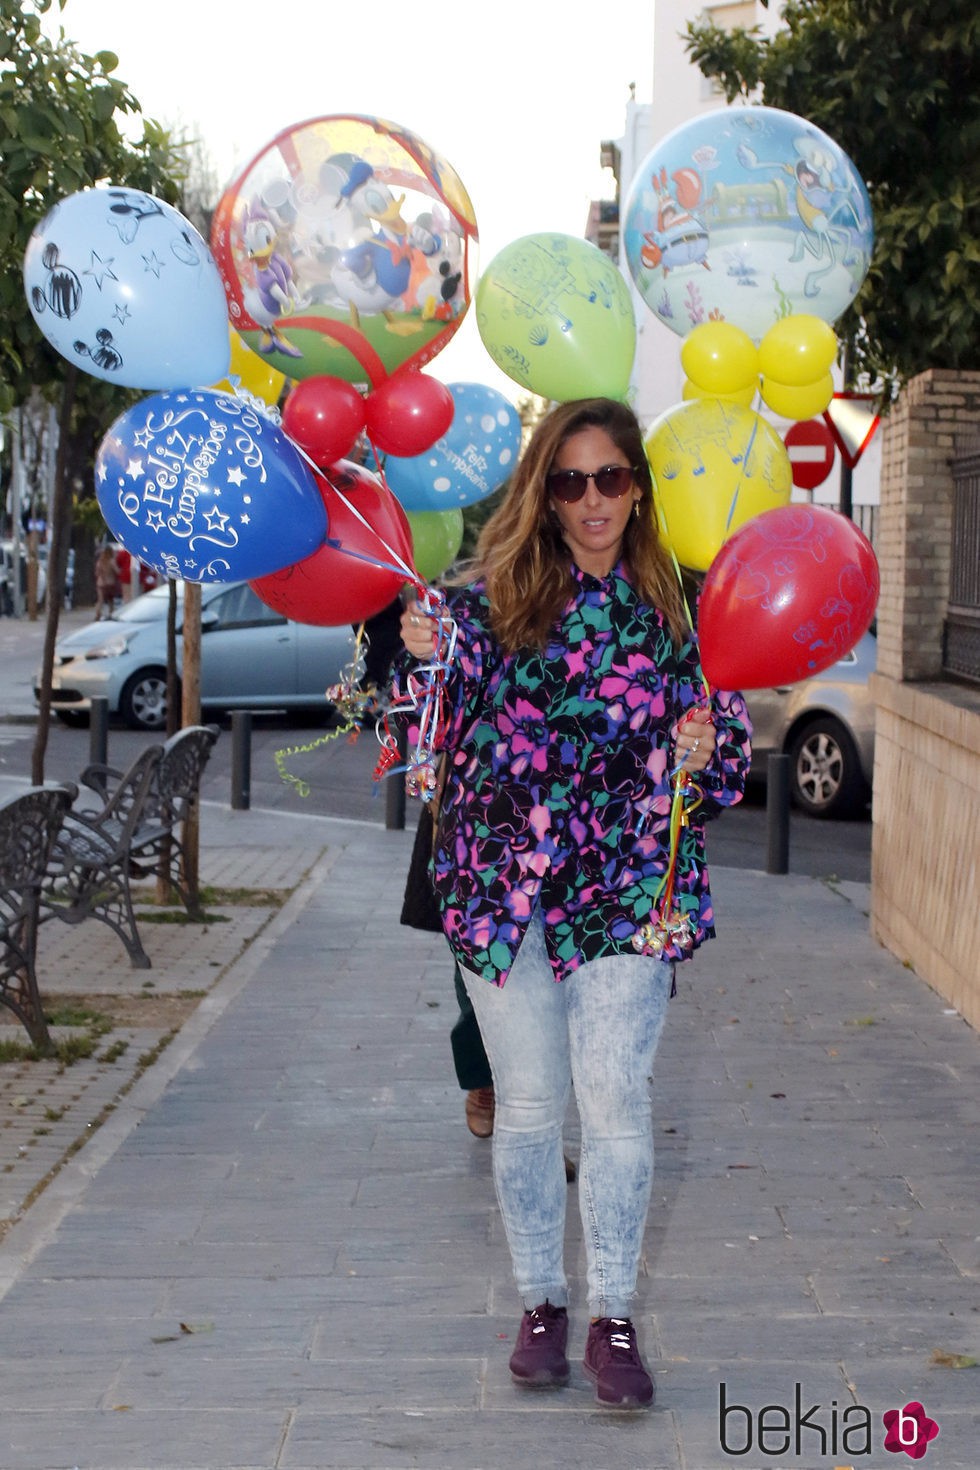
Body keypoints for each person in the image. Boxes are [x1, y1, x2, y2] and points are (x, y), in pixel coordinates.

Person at [398, 397, 750, 1410]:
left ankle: (613, 1317)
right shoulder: (484, 604)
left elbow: (723, 757)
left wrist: (706, 746)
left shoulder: (682, 610)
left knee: (613, 1099)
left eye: (608, 478)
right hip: (505, 887)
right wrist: (416, 649)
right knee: (532, 1106)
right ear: (543, 497)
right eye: (568, 481)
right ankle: (541, 1303)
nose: (590, 499)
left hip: (630, 887)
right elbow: (411, 706)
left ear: (636, 487)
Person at [94, 543, 120, 620]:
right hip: (110, 582)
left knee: (100, 600)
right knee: (110, 601)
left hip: (101, 583)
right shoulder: (111, 561)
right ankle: (111, 614)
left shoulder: (100, 561)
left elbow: (97, 573)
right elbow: (117, 571)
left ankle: (98, 614)